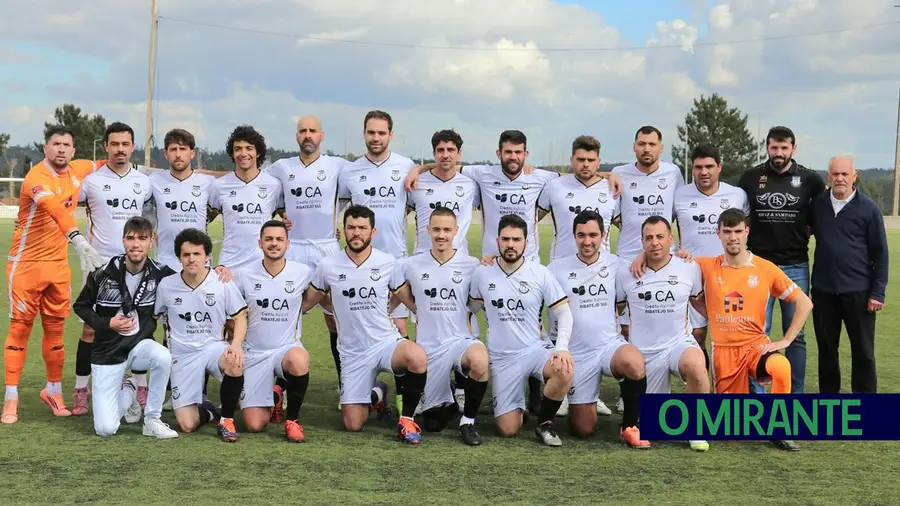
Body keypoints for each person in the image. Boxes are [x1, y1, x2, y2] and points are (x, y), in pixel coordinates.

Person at [2, 125, 106, 424]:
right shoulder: (36, 178)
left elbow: (106, 163)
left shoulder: (79, 168)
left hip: (58, 267)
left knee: (56, 333)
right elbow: (54, 209)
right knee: (20, 330)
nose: (61, 149)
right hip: (26, 266)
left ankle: (54, 392)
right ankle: (11, 399)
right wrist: (78, 238)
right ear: (45, 148)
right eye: (55, 144)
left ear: (74, 150)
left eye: (66, 145)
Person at [305, 205, 429, 444]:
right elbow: (307, 302)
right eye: (351, 227)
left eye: (362, 228)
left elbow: (408, 299)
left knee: (417, 357)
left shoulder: (387, 262)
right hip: (352, 353)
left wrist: (422, 311)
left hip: (385, 343)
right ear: (344, 230)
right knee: (353, 424)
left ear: (373, 231)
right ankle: (377, 394)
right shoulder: (328, 265)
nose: (356, 233)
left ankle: (407, 420)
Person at [693, 208, 812, 451]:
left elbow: (804, 302)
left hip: (755, 347)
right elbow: (671, 266)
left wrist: (786, 340)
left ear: (747, 232)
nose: (733, 237)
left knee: (781, 366)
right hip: (724, 352)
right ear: (718, 234)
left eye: (738, 231)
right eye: (727, 231)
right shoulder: (706, 266)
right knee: (731, 433)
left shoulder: (765, 268)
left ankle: (779, 428)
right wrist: (713, 315)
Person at [632, 144, 750, 367]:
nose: (703, 172)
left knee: (730, 333)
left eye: (709, 166)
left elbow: (746, 229)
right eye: (698, 167)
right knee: (697, 334)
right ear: (692, 169)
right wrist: (646, 253)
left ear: (719, 168)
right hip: (692, 274)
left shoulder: (737, 195)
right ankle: (701, 386)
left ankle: (730, 384)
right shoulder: (679, 195)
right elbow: (660, 229)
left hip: (728, 275)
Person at [468, 214, 575, 446]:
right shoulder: (482, 272)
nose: (510, 244)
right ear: (497, 240)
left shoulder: (540, 272)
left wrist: (561, 347)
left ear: (526, 242)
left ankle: (545, 423)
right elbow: (469, 310)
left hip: (534, 349)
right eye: (505, 239)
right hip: (502, 357)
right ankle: (520, 405)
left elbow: (564, 312)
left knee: (564, 369)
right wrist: (473, 341)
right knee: (508, 430)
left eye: (517, 239)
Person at [545, 210, 649, 448]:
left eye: (593, 235)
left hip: (608, 346)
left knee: (633, 362)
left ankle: (630, 427)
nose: (587, 241)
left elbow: (656, 257)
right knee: (583, 429)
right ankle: (578, 402)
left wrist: (654, 253)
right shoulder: (556, 268)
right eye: (581, 235)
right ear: (574, 236)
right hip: (576, 354)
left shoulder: (617, 265)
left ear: (603, 235)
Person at [266, 116, 350, 408]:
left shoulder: (337, 166)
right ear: (296, 136)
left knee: (336, 320)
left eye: (312, 130)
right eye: (302, 131)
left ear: (322, 136)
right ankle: (280, 387)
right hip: (293, 250)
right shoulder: (281, 167)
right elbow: (263, 191)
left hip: (326, 248)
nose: (307, 135)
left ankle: (346, 385)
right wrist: (279, 214)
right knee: (284, 319)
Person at [72, 122, 154, 417]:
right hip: (100, 266)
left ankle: (140, 388)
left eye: (125, 144)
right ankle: (81, 390)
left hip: (135, 265)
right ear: (105, 146)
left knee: (138, 327)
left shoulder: (143, 183)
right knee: (91, 328)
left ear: (133, 147)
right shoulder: (91, 181)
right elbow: (66, 206)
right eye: (115, 144)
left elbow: (148, 219)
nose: (120, 149)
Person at [337, 110, 416, 413]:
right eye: (371, 132)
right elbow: (341, 207)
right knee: (353, 326)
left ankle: (402, 397)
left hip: (394, 261)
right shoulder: (351, 172)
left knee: (397, 329)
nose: (376, 138)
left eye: (381, 133)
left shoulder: (406, 166)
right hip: (357, 264)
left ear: (390, 135)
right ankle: (358, 387)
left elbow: (412, 202)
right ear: (364, 133)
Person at [72, 216, 178, 439]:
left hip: (138, 349)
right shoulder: (103, 273)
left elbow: (191, 280)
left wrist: (218, 274)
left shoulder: (162, 274)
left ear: (152, 242)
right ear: (123, 241)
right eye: (130, 238)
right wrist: (105, 323)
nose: (135, 244)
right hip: (107, 354)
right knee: (105, 429)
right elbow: (80, 306)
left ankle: (152, 419)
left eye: (142, 238)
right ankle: (129, 389)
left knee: (162, 356)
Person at [391, 207, 489, 445]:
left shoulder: (472, 264)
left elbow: (485, 299)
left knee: (480, 360)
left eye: (447, 229)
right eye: (436, 229)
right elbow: (395, 296)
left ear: (456, 231)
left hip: (460, 341)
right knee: (434, 423)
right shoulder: (411, 264)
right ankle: (449, 397)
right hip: (429, 348)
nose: (441, 235)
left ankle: (468, 422)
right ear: (427, 230)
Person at [738, 126, 825, 393]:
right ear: (767, 147)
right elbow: (741, 215)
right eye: (774, 148)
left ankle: (794, 395)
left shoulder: (811, 180)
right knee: (756, 334)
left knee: (796, 335)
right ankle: (758, 396)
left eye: (784, 148)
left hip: (795, 265)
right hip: (759, 268)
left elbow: (820, 213)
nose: (779, 153)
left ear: (793, 149)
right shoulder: (751, 177)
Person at [537, 134, 618, 416]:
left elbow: (625, 226)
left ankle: (590, 393)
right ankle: (559, 386)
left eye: (591, 160)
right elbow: (530, 221)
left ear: (599, 160)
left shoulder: (611, 188)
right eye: (580, 159)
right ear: (572, 160)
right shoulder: (554, 186)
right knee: (560, 330)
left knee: (595, 328)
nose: (585, 164)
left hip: (599, 271)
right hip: (562, 269)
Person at [615, 216, 709, 452]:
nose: (654, 242)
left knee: (697, 364)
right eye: (649, 238)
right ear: (642, 242)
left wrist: (723, 324)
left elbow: (699, 303)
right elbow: (614, 311)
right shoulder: (627, 273)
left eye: (659, 237)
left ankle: (696, 428)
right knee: (654, 428)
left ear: (671, 239)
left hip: (678, 343)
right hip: (644, 353)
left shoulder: (689, 267)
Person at [610, 125, 684, 413]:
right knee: (626, 327)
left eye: (652, 144)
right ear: (634, 146)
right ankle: (628, 387)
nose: (647, 149)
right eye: (641, 143)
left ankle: (662, 382)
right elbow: (612, 213)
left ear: (661, 147)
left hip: (660, 259)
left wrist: (660, 247)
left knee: (659, 322)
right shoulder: (619, 172)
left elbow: (678, 216)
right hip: (625, 262)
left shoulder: (673, 173)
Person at [153, 228, 248, 442]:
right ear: (179, 257)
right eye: (186, 254)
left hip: (213, 347)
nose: (191, 259)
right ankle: (209, 411)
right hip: (183, 355)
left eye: (197, 254)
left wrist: (237, 345)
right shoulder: (167, 285)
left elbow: (241, 316)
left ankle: (226, 420)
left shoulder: (222, 282)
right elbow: (154, 317)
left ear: (207, 256)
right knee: (187, 425)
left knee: (234, 362)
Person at [235, 220, 320, 442]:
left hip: (285, 349)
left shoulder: (303, 272)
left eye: (279, 239)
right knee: (254, 425)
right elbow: (233, 314)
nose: (274, 244)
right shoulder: (244, 274)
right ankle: (274, 396)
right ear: (260, 243)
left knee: (299, 359)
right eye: (269, 239)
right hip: (254, 354)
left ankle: (293, 421)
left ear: (287, 244)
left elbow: (318, 297)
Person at [810, 155, 887, 394]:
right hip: (823, 292)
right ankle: (829, 403)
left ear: (855, 176)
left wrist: (878, 292)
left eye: (845, 174)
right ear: (828, 176)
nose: (840, 178)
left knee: (863, 352)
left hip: (859, 293)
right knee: (826, 350)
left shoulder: (869, 208)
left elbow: (880, 253)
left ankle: (866, 407)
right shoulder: (817, 205)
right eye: (835, 174)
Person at [209, 125, 284, 270]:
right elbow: (204, 220)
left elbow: (289, 218)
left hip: (263, 264)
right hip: (229, 265)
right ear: (232, 153)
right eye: (238, 149)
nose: (243, 153)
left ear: (257, 152)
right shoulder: (219, 186)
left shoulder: (274, 185)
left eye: (249, 148)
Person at [145, 128, 217, 272]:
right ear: (166, 154)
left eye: (183, 149)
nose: (178, 154)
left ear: (192, 153)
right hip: (165, 263)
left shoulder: (208, 183)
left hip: (199, 264)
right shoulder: (154, 181)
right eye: (173, 149)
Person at [407, 130, 480, 256]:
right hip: (422, 260)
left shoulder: (471, 185)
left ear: (459, 153)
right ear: (434, 154)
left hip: (458, 261)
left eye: (450, 150)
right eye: (440, 150)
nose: (445, 155)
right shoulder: (417, 182)